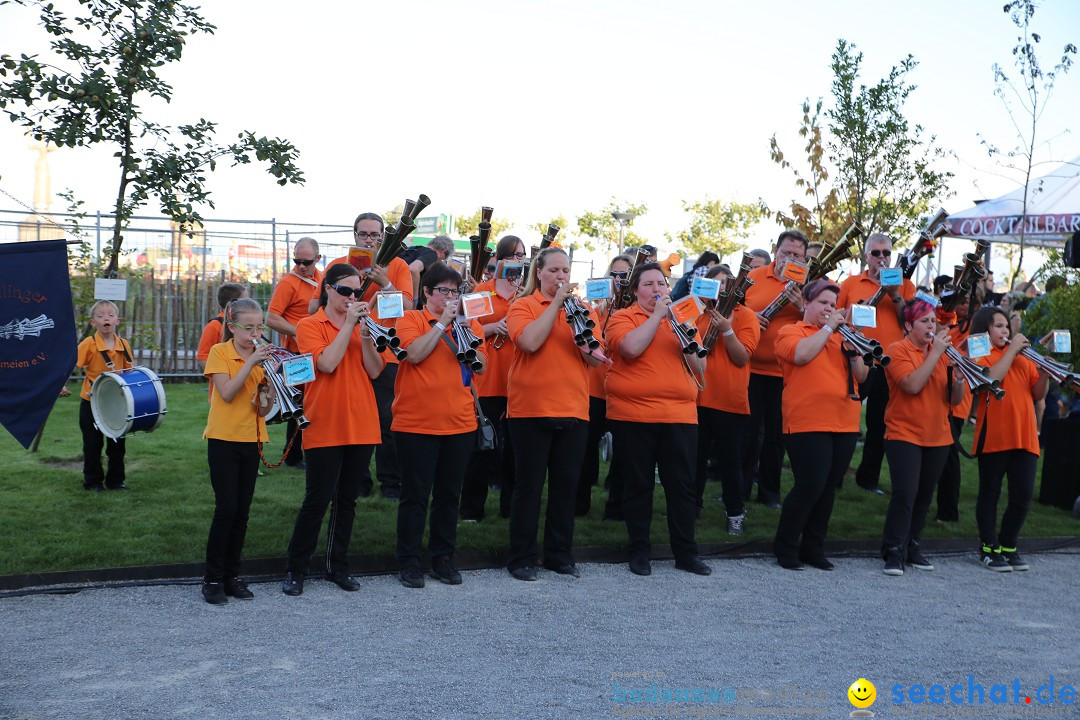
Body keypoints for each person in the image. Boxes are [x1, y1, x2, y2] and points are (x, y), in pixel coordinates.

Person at [282, 263, 385, 596]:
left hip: (362, 421)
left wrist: (367, 338)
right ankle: (295, 568)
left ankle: (336, 565)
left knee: (347, 501)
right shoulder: (309, 325)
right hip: (325, 420)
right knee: (317, 499)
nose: (352, 297)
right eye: (345, 291)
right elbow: (326, 363)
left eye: (357, 292)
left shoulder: (362, 324)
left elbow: (374, 371)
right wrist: (350, 326)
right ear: (328, 289)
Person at [505, 247, 605, 581]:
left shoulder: (584, 309)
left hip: (574, 407)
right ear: (539, 273)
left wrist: (582, 333)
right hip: (530, 410)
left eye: (565, 270)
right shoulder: (523, 305)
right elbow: (530, 342)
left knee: (566, 487)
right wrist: (556, 306)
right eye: (554, 271)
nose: (561, 276)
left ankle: (559, 555)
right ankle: (521, 557)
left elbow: (595, 359)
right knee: (529, 486)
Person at [606, 262, 711, 577]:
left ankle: (686, 553)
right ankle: (639, 551)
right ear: (636, 290)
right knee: (638, 485)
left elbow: (700, 367)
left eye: (661, 284)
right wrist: (656, 318)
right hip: (634, 415)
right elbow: (630, 348)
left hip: (680, 415)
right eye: (649, 284)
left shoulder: (683, 319)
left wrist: (682, 330)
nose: (657, 289)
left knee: (681, 486)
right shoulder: (622, 317)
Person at [393, 263, 486, 588]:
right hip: (416, 423)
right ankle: (408, 561)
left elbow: (482, 366)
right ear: (427, 293)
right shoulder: (410, 319)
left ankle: (442, 559)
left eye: (454, 291)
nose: (450, 296)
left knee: (449, 495)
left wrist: (462, 330)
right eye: (443, 291)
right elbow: (414, 354)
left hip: (459, 422)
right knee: (415, 496)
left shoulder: (468, 322)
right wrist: (441, 324)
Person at [313, 212, 413, 499]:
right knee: (349, 418)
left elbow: (408, 306)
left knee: (386, 421)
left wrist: (385, 283)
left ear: (383, 236)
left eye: (375, 235)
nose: (369, 239)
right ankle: (357, 482)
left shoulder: (398, 264)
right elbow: (317, 306)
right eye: (364, 234)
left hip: (383, 351)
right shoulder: (336, 265)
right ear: (354, 235)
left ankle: (391, 484)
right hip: (345, 349)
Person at [773, 279, 869, 571]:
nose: (829, 308)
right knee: (809, 485)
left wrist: (854, 352)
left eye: (832, 304)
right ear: (805, 303)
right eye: (823, 303)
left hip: (844, 420)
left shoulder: (844, 336)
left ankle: (813, 548)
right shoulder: (790, 332)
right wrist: (829, 329)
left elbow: (862, 376)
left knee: (828, 488)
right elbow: (802, 355)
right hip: (806, 421)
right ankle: (786, 547)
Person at [879, 300, 965, 576]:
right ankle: (893, 549)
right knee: (906, 493)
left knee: (925, 496)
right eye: (924, 321)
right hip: (903, 433)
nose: (931, 326)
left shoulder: (940, 353)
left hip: (938, 435)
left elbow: (954, 400)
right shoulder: (896, 350)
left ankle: (912, 546)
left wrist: (960, 379)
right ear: (908, 325)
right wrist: (935, 353)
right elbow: (912, 385)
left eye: (932, 321)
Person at [200, 298, 276, 605]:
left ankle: (233, 575)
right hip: (223, 439)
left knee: (242, 513)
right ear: (232, 327)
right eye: (249, 327)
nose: (256, 332)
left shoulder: (261, 359)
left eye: (260, 326)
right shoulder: (221, 352)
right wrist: (251, 363)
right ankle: (213, 578)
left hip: (251, 438)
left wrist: (268, 392)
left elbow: (263, 409)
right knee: (226, 509)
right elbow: (228, 393)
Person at [969, 305, 1048, 572]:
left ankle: (1008, 544)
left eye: (1006, 326)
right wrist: (1012, 350)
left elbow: (1037, 393)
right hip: (994, 435)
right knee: (990, 494)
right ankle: (988, 548)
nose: (1005, 330)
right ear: (985, 329)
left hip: (1025, 436)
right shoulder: (980, 351)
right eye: (998, 326)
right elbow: (990, 379)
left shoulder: (1023, 357)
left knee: (1023, 496)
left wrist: (1046, 371)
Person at [837, 233, 916, 495]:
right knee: (843, 418)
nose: (882, 258)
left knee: (879, 424)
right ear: (865, 255)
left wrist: (894, 295)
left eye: (886, 253)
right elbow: (837, 315)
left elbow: (911, 319)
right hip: (855, 358)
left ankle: (867, 479)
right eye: (876, 253)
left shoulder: (904, 283)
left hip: (887, 362)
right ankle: (834, 474)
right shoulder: (850, 283)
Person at [459, 235, 526, 522]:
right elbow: (464, 327)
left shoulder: (527, 293)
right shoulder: (483, 291)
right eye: (512, 255)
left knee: (515, 450)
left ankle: (511, 509)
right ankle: (471, 510)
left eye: (522, 255)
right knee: (482, 448)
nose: (518, 260)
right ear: (500, 258)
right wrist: (492, 327)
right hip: (488, 379)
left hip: (520, 380)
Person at [742, 230, 809, 509]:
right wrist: (749, 317)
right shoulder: (754, 277)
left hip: (785, 373)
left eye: (798, 255)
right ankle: (739, 490)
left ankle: (769, 492)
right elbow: (733, 310)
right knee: (745, 434)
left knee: (776, 437)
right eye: (787, 253)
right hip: (749, 368)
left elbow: (817, 321)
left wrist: (801, 305)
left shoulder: (807, 286)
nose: (791, 258)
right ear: (775, 250)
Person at [694, 265, 760, 535]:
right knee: (693, 460)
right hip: (696, 398)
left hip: (729, 402)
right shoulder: (696, 313)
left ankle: (735, 513)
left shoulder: (747, 317)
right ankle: (691, 508)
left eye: (726, 283)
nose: (722, 288)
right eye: (716, 283)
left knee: (730, 462)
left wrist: (727, 330)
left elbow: (742, 357)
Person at [581, 254, 633, 520]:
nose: (618, 279)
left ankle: (616, 506)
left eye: (624, 276)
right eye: (614, 274)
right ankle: (580, 503)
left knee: (624, 450)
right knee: (585, 447)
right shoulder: (597, 307)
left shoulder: (637, 309)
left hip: (625, 387)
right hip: (596, 385)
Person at [266, 237, 323, 469]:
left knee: (315, 402)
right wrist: (299, 332)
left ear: (317, 259)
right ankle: (292, 456)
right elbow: (271, 318)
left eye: (306, 262)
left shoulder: (322, 278)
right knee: (298, 404)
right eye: (297, 260)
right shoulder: (287, 283)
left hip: (318, 350)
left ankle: (311, 452)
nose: (301, 266)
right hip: (295, 355)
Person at [75, 300, 133, 492]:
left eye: (110, 315)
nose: (105, 318)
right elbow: (71, 365)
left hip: (117, 404)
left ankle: (116, 481)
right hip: (91, 402)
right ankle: (93, 481)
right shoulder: (88, 344)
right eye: (100, 316)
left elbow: (129, 372)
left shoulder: (123, 344)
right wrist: (61, 385)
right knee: (93, 444)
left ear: (117, 320)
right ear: (93, 323)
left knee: (117, 445)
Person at [197, 282, 246, 369]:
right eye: (245, 300)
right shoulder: (215, 325)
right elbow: (203, 358)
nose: (248, 304)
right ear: (233, 303)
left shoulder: (245, 324)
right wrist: (221, 374)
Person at [403, 234, 456, 305]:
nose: (442, 261)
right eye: (445, 258)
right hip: (405, 298)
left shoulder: (413, 249)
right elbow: (413, 269)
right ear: (444, 252)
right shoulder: (432, 254)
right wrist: (415, 299)